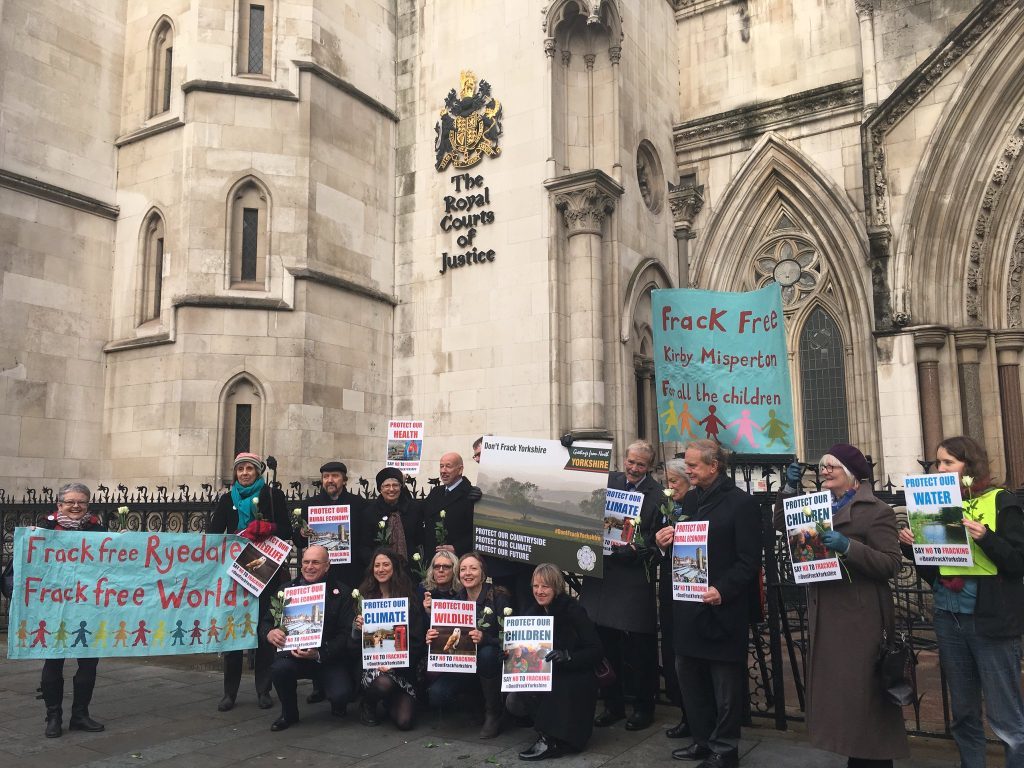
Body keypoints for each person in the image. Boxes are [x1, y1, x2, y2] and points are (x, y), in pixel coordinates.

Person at [776, 444, 908, 768]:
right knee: (845, 701)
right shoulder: (818, 506)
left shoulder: (877, 510)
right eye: (821, 467)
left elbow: (891, 564)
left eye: (831, 467)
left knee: (865, 703)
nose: (823, 472)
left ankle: (872, 761)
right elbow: (782, 522)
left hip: (860, 620)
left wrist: (849, 546)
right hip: (827, 612)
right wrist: (790, 488)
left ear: (851, 474)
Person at [898, 436, 1024, 768]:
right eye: (938, 462)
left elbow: (1017, 562)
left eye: (948, 462)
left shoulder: (1002, 501)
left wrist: (986, 536)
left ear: (969, 466)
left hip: (990, 621)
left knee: (1006, 718)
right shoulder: (937, 506)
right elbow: (935, 572)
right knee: (964, 713)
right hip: (948, 618)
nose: (940, 468)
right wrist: (912, 546)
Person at [671, 440, 760, 768]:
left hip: (722, 609)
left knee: (725, 687)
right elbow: (686, 545)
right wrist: (666, 539)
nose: (688, 471)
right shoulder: (690, 499)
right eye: (687, 464)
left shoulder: (741, 504)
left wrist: (723, 589)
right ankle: (702, 740)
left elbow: (749, 561)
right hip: (689, 607)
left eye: (693, 466)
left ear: (714, 467)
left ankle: (724, 750)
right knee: (690, 678)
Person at [579, 439, 662, 731]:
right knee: (602, 643)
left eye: (641, 464)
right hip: (601, 575)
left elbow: (661, 535)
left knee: (638, 648)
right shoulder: (609, 481)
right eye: (631, 462)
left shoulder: (657, 494)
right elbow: (578, 486)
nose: (634, 468)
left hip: (632, 577)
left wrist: (644, 549)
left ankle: (643, 707)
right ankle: (612, 704)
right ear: (623, 460)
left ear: (649, 466)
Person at [209, 452, 292, 711]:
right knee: (234, 629)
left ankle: (263, 689)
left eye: (249, 469)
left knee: (264, 629)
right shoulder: (226, 499)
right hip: (236, 574)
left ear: (258, 472)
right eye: (240, 469)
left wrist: (269, 529)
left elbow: (287, 530)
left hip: (265, 572)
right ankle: (229, 692)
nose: (244, 473)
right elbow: (214, 535)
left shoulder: (272, 496)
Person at [508, 563, 603, 760]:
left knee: (559, 684)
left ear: (556, 587)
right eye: (536, 586)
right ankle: (546, 735)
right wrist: (509, 654)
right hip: (548, 671)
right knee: (521, 689)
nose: (539, 591)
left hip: (576, 671)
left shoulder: (573, 611)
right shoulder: (531, 613)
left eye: (545, 586)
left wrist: (567, 656)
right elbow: (526, 649)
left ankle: (556, 739)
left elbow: (596, 650)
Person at [261, 545, 359, 731]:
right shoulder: (286, 590)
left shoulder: (342, 593)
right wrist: (270, 633)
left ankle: (337, 702)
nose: (309, 566)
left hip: (327, 657)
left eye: (315, 562)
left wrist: (319, 653)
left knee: (341, 695)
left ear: (327, 566)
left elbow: (345, 634)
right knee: (279, 669)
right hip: (293, 656)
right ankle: (288, 713)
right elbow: (265, 622)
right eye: (306, 562)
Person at [294, 460, 367, 706]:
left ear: (344, 479)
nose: (330, 481)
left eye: (335, 476)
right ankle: (318, 685)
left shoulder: (357, 504)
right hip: (318, 577)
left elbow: (362, 538)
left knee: (345, 630)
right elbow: (298, 540)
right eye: (326, 476)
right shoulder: (311, 505)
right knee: (317, 626)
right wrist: (301, 534)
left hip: (347, 574)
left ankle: (346, 680)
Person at [39, 483, 106, 738]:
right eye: (70, 502)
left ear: (88, 505)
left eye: (82, 502)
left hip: (88, 605)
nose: (76, 506)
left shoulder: (98, 529)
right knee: (53, 661)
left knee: (88, 663)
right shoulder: (43, 529)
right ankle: (53, 715)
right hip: (53, 605)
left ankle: (80, 714)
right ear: (59, 505)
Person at [425, 552, 510, 737]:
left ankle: (493, 712)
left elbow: (510, 638)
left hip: (494, 663)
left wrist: (486, 638)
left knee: (487, 654)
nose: (467, 573)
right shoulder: (456, 601)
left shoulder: (498, 596)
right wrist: (433, 637)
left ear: (483, 573)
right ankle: (475, 704)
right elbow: (446, 642)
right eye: (463, 569)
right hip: (466, 665)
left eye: (473, 568)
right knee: (437, 694)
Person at [355, 548, 426, 730]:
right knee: (383, 682)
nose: (381, 569)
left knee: (405, 722)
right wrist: (357, 628)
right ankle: (368, 704)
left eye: (386, 564)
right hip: (374, 667)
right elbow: (353, 645)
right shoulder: (364, 597)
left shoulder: (409, 599)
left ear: (395, 568)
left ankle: (388, 700)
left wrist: (396, 663)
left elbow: (417, 641)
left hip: (402, 669)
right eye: (377, 565)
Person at [653, 457, 692, 739]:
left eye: (673, 482)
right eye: (666, 483)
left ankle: (696, 716)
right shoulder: (666, 508)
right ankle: (684, 712)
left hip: (692, 588)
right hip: (669, 586)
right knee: (672, 650)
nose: (669, 488)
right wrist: (661, 544)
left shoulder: (698, 505)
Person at [356, 469, 423, 571]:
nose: (391, 489)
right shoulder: (369, 513)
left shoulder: (413, 509)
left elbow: (420, 539)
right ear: (380, 489)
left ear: (401, 487)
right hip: (381, 570)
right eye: (387, 486)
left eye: (395, 485)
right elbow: (364, 545)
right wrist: (377, 564)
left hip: (410, 569)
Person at [422, 452, 481, 557]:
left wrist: (457, 548)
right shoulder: (436, 492)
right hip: (433, 559)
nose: (443, 471)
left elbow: (478, 532)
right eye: (441, 466)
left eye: (448, 466)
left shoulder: (471, 495)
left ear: (460, 469)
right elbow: (418, 512)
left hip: (458, 560)